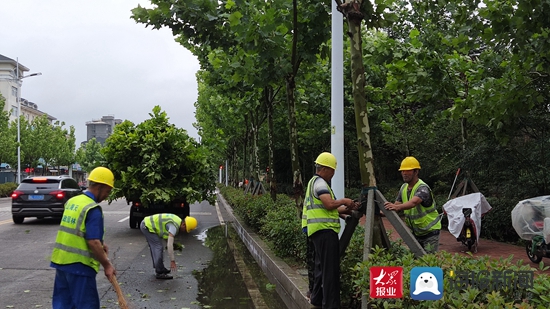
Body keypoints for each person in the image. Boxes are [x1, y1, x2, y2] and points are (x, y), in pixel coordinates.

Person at [50, 166, 116, 309]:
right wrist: (107, 265)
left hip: (62, 262)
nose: (107, 196)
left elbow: (76, 231)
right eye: (107, 191)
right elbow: (93, 242)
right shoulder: (92, 209)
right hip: (80, 266)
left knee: (63, 305)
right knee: (87, 305)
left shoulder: (73, 201)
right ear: (99, 187)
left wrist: (100, 245)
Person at [305, 152, 358, 309]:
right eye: (333, 170)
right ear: (325, 169)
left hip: (318, 232)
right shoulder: (321, 183)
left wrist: (349, 210)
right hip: (325, 232)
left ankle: (316, 299)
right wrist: (345, 201)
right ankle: (331, 305)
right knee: (331, 271)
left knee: (321, 268)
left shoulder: (313, 182)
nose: (334, 174)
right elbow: (329, 204)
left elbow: (331, 208)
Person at [384, 156, 441, 253]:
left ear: (416, 172)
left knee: (428, 263)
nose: (404, 173)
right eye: (402, 171)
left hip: (430, 232)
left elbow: (413, 202)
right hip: (415, 233)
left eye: (408, 171)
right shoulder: (404, 188)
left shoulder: (423, 188)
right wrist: (384, 210)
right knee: (414, 261)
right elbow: (396, 205)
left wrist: (396, 207)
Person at [140, 213, 198, 279]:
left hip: (146, 224)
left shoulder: (178, 220)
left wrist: (172, 245)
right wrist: (172, 260)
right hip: (146, 226)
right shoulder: (174, 226)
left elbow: (167, 237)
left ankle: (160, 267)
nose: (184, 231)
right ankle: (159, 272)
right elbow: (169, 244)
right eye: (185, 229)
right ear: (183, 224)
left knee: (156, 247)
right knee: (158, 247)